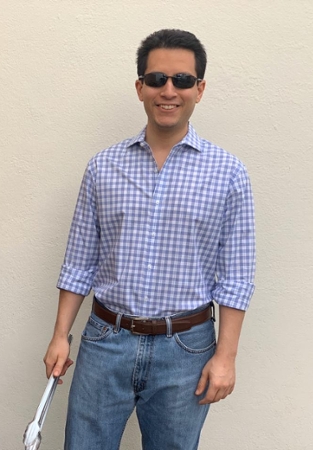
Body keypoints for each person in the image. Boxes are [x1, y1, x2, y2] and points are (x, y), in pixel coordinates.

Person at [43, 29, 256, 450]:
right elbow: (79, 261)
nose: (169, 91)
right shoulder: (103, 167)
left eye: (182, 80)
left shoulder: (229, 174)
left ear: (200, 88)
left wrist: (226, 358)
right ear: (140, 87)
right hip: (106, 340)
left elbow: (236, 276)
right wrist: (60, 335)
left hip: (186, 349)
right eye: (157, 79)